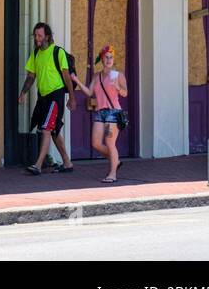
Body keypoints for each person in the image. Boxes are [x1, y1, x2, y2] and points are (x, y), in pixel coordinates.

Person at [18, 22, 78, 175]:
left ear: (47, 36)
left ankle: (38, 165)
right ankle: (67, 162)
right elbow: (31, 76)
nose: (36, 38)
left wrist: (72, 98)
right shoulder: (36, 54)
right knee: (54, 130)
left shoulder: (58, 52)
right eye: (35, 35)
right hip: (42, 97)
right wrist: (23, 92)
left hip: (55, 96)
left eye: (39, 35)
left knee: (46, 129)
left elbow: (66, 77)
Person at [77, 45, 128, 183]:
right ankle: (115, 160)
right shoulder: (97, 76)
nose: (109, 60)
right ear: (102, 59)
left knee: (110, 142)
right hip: (100, 112)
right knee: (96, 143)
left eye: (111, 57)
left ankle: (112, 174)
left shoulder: (118, 75)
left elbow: (125, 93)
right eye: (106, 57)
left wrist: (118, 87)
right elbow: (89, 92)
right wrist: (76, 80)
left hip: (113, 113)